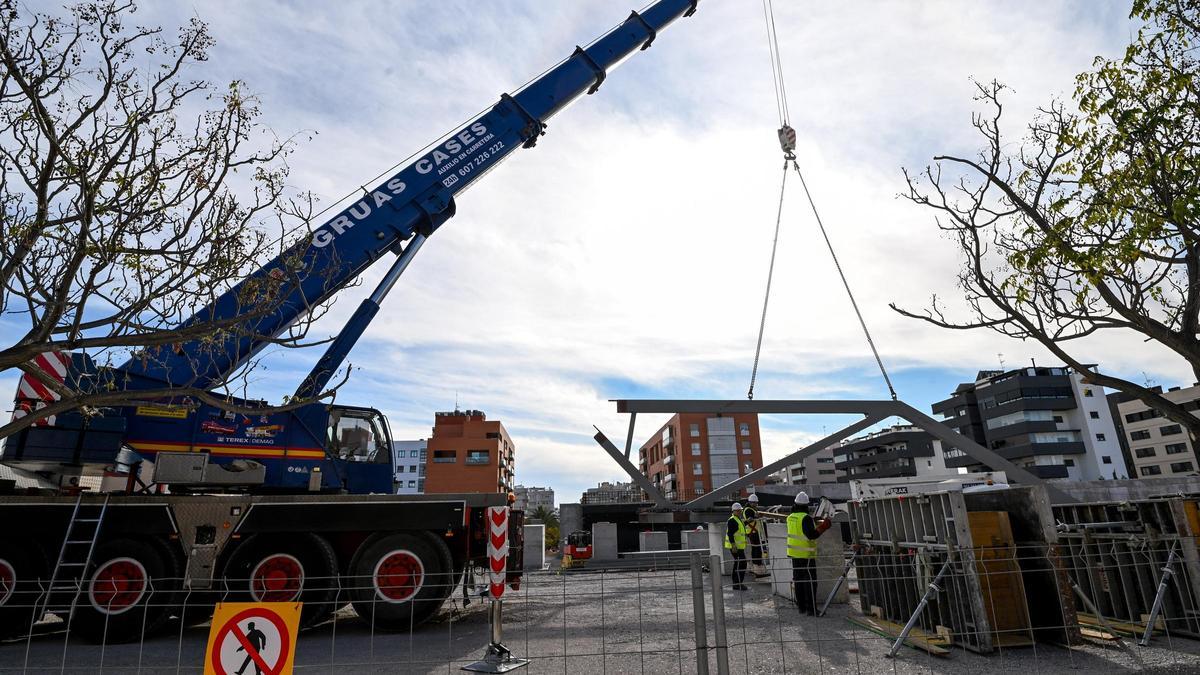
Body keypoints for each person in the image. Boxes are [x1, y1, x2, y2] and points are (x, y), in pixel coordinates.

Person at [786, 491, 832, 615]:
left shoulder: (791, 517)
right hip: (806, 555)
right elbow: (811, 535)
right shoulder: (805, 518)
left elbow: (799, 529)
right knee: (810, 582)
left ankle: (801, 607)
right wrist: (823, 527)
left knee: (799, 581)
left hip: (794, 554)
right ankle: (811, 609)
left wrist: (813, 521)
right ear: (806, 505)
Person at [725, 502, 749, 590]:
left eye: (740, 511)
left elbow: (740, 527)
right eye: (738, 511)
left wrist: (748, 521)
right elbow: (730, 534)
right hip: (736, 547)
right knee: (742, 563)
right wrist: (733, 545)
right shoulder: (732, 520)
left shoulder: (737, 519)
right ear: (734, 511)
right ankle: (738, 583)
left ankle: (736, 583)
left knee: (738, 563)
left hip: (739, 547)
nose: (740, 512)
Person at [744, 493, 768, 578]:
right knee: (756, 549)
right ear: (750, 502)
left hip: (755, 532)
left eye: (756, 503)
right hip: (753, 532)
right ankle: (757, 568)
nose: (755, 504)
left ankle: (756, 567)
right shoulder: (748, 510)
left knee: (756, 549)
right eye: (753, 503)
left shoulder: (752, 509)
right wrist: (755, 516)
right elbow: (749, 519)